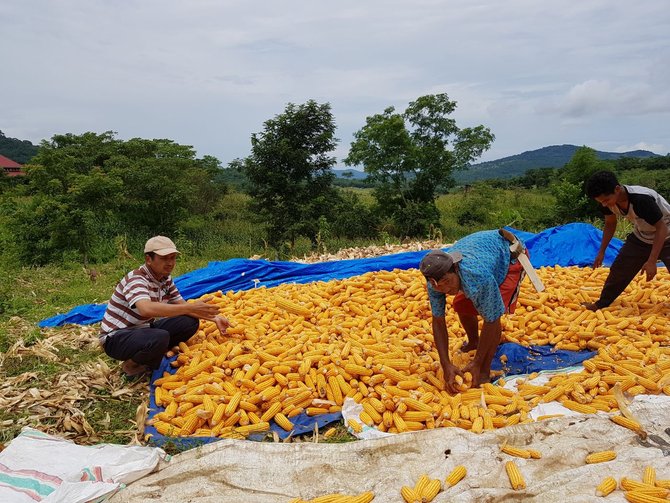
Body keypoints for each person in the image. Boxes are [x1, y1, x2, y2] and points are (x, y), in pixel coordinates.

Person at [99, 236, 229, 376]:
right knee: (160, 337)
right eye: (164, 258)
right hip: (116, 338)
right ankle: (130, 365)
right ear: (149, 259)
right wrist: (189, 308)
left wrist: (214, 318)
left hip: (143, 329)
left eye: (173, 258)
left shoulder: (165, 279)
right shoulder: (136, 279)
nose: (170, 263)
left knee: (189, 322)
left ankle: (155, 351)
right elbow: (145, 308)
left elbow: (181, 305)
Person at [419, 229, 526, 393]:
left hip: (509, 256)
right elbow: (438, 321)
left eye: (448, 282)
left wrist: (478, 362)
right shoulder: (435, 283)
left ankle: (484, 369)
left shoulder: (477, 276)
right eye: (439, 286)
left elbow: (492, 320)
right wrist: (445, 363)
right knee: (461, 305)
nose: (445, 289)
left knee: (492, 312)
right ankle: (474, 342)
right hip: (482, 251)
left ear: (455, 268)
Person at [583, 170, 670, 311]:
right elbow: (610, 224)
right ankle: (602, 303)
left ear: (617, 189)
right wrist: (601, 251)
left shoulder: (641, 199)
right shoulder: (607, 203)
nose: (604, 205)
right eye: (601, 202)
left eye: (606, 200)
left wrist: (652, 261)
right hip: (643, 235)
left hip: (666, 234)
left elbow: (661, 228)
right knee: (620, 269)